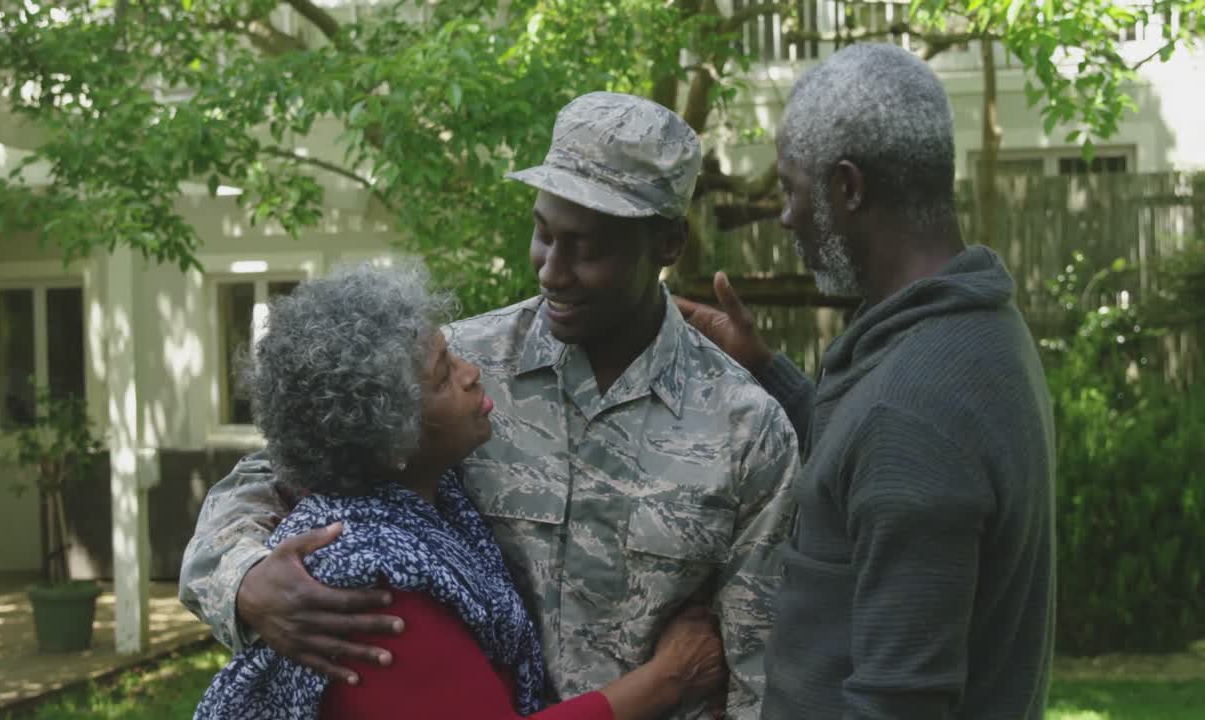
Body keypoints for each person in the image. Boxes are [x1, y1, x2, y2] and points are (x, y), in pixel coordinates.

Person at [180, 91, 801, 719]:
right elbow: (279, 471)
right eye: (543, 234)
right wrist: (244, 580)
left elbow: (760, 670)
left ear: (668, 243)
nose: (551, 271)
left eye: (585, 247)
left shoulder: (745, 430)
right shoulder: (451, 369)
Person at [676, 43, 1057, 719]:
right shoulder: (974, 328)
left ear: (848, 188)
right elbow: (863, 471)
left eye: (792, 188)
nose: (785, 216)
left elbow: (900, 704)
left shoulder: (912, 416)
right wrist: (766, 368)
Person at [194, 263, 727, 720]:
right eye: (443, 375)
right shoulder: (366, 582)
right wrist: (669, 678)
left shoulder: (426, 505)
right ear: (388, 434)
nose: (473, 373)